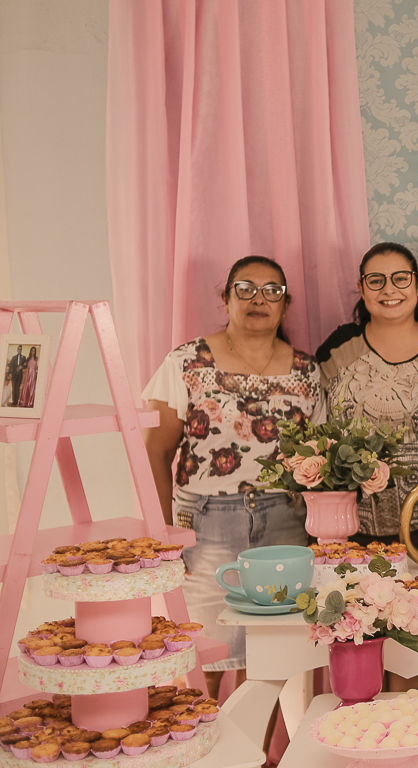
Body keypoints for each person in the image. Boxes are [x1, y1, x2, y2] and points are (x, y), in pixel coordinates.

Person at [142, 256, 326, 699]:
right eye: (245, 289)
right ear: (225, 299)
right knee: (200, 655)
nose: (258, 299)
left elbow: (320, 461)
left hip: (285, 523)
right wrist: (163, 537)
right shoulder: (187, 362)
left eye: (272, 290)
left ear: (285, 304)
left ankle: (252, 742)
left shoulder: (307, 371)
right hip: (205, 524)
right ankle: (199, 738)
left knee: (268, 662)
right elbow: (156, 451)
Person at [317, 243, 418, 540]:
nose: (389, 289)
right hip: (347, 525)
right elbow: (315, 421)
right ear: (361, 288)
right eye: (376, 280)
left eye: (400, 278)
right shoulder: (337, 350)